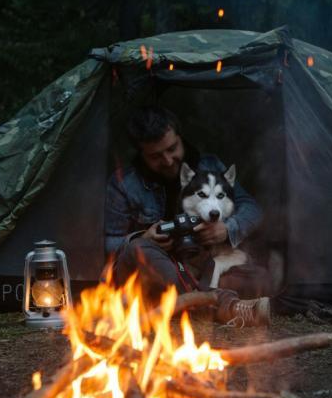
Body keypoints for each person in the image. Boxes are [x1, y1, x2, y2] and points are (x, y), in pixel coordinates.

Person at [105, 106, 270, 326]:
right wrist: (143, 238)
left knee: (255, 274)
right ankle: (224, 306)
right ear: (141, 154)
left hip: (201, 265)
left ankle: (188, 304)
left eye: (172, 148)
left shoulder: (210, 167)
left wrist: (226, 229)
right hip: (158, 267)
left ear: (180, 137)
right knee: (138, 250)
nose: (168, 160)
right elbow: (108, 243)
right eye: (155, 156)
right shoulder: (124, 184)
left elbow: (252, 208)